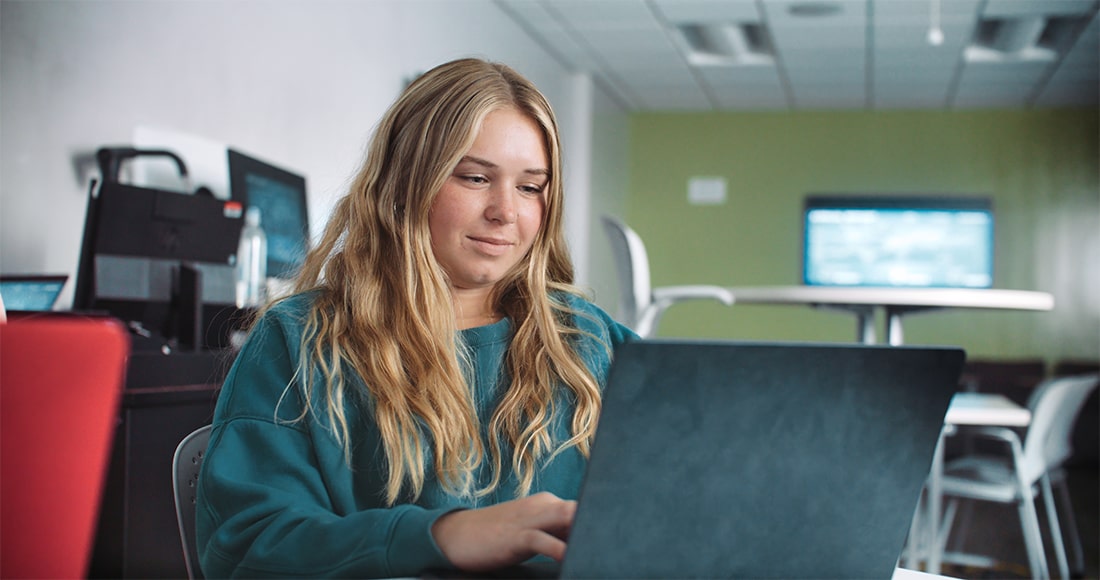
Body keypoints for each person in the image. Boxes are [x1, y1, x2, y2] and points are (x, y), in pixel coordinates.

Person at [195, 57, 638, 578]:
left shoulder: (591, 341)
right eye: (475, 178)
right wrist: (442, 536)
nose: (506, 211)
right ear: (406, 182)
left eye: (529, 187)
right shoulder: (300, 342)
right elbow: (248, 546)